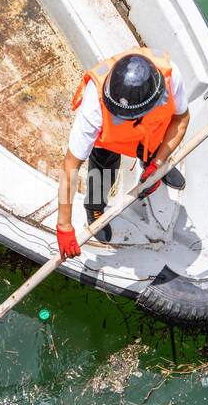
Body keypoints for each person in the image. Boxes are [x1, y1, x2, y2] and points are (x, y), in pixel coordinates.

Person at [55, 47, 190, 259]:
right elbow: (70, 165)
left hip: (152, 131)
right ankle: (95, 210)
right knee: (102, 172)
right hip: (110, 139)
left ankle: (157, 167)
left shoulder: (171, 76)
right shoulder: (94, 104)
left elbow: (181, 120)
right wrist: (64, 225)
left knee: (156, 152)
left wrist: (159, 163)